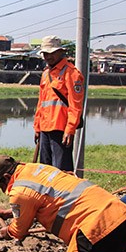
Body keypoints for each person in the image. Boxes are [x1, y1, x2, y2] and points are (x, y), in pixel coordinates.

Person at [33, 36, 85, 172]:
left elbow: (76, 104)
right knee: (45, 170)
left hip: (61, 128)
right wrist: (37, 127)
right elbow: (41, 103)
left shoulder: (71, 73)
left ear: (60, 52)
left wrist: (70, 129)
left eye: (51, 53)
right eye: (45, 53)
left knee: (61, 171)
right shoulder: (45, 74)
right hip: (45, 127)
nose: (48, 56)